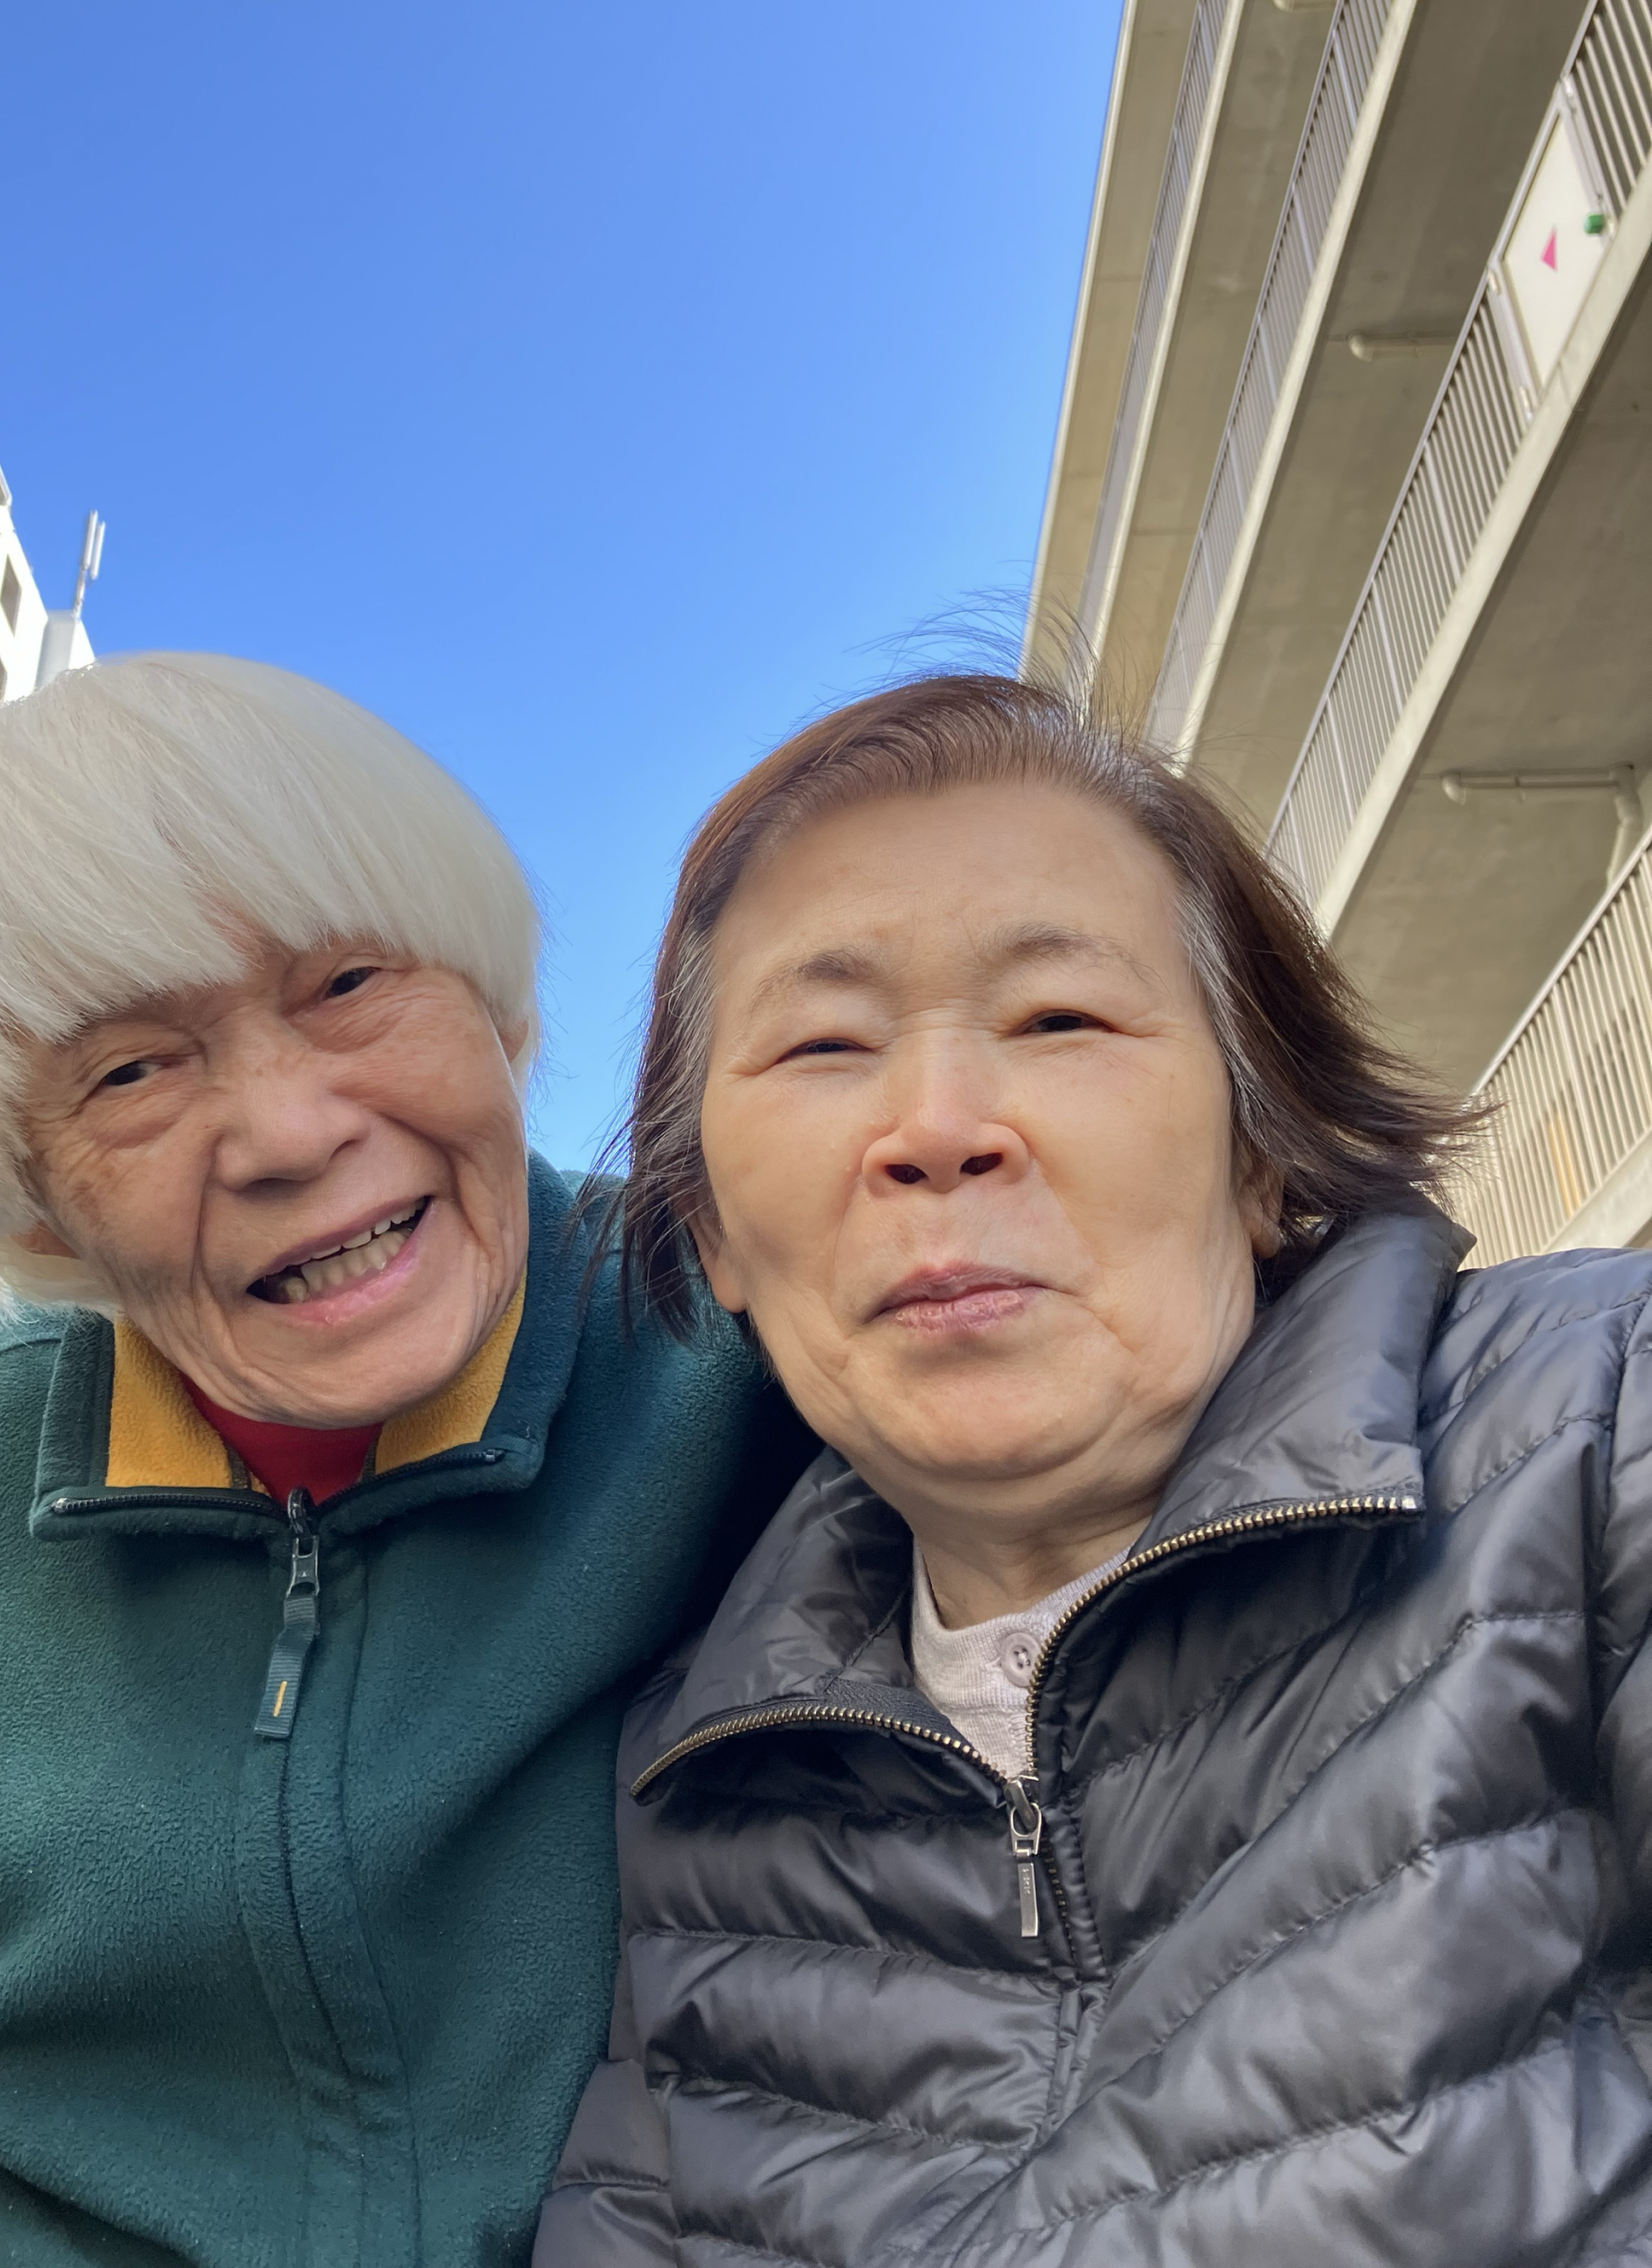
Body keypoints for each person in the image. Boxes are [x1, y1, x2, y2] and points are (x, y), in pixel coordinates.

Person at [538, 671, 1652, 2268]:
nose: (936, 1127)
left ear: (1260, 1147)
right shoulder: (696, 1779)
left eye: (1057, 1018)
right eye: (823, 1044)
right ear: (712, 1234)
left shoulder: (1595, 1420)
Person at [0, 654, 807, 2268]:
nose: (293, 1133)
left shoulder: (748, 1346)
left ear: (500, 1012)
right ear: (38, 1208)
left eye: (349, 983)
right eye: (128, 1072)